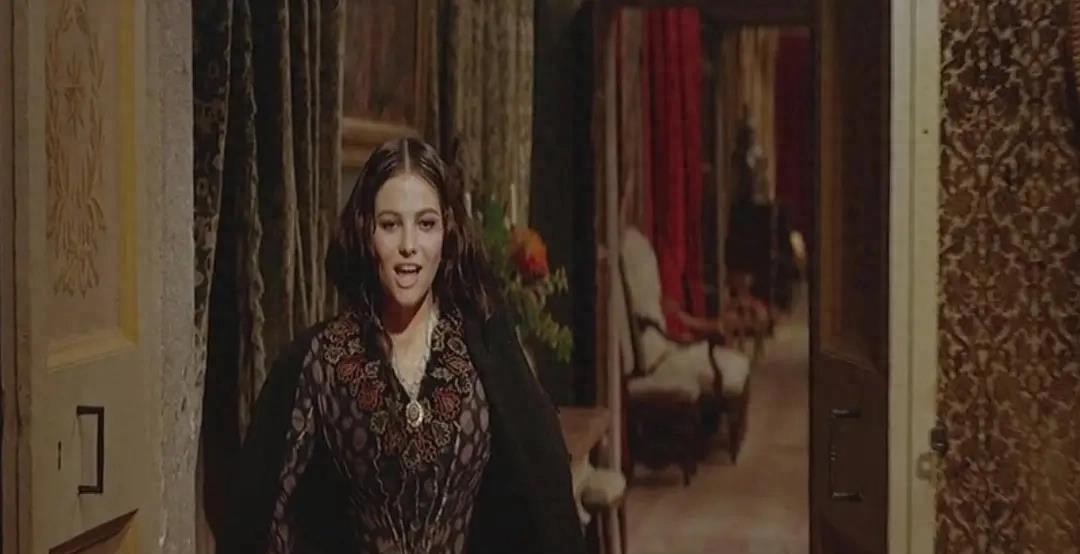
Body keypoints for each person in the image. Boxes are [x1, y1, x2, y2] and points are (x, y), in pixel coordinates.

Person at [225, 138, 586, 554]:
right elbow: (268, 514)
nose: (409, 245)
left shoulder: (485, 351)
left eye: (426, 224)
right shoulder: (323, 359)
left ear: (447, 233)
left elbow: (543, 495)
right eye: (391, 224)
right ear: (366, 231)